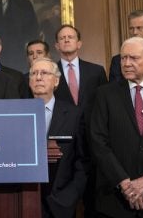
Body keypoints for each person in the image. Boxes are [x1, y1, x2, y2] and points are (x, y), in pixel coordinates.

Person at [90, 37, 143, 218]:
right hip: (116, 200)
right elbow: (98, 142)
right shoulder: (104, 95)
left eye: (133, 58)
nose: (126, 63)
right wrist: (126, 185)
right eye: (123, 58)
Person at [53, 24, 107, 218]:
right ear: (57, 45)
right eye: (62, 38)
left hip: (92, 139)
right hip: (63, 142)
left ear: (79, 43)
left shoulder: (96, 71)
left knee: (93, 194)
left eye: (71, 37)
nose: (66, 40)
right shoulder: (50, 73)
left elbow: (104, 105)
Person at [29, 58, 86, 218]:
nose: (38, 77)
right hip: (25, 200)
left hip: (61, 203)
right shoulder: (18, 113)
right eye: (34, 73)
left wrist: (70, 197)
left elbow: (83, 161)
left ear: (56, 81)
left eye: (44, 73)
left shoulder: (74, 114)